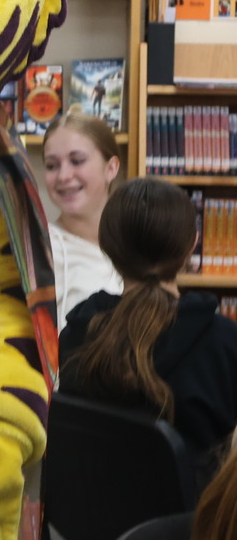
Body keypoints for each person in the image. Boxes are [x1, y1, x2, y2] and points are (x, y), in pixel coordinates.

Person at [59, 178, 237, 481]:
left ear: (106, 245)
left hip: (88, 512)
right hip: (194, 513)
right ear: (191, 245)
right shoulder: (223, 343)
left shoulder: (76, 334)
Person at [42, 111, 124, 328]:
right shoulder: (40, 252)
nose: (63, 176)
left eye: (77, 161)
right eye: (51, 165)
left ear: (111, 168)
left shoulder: (140, 248)